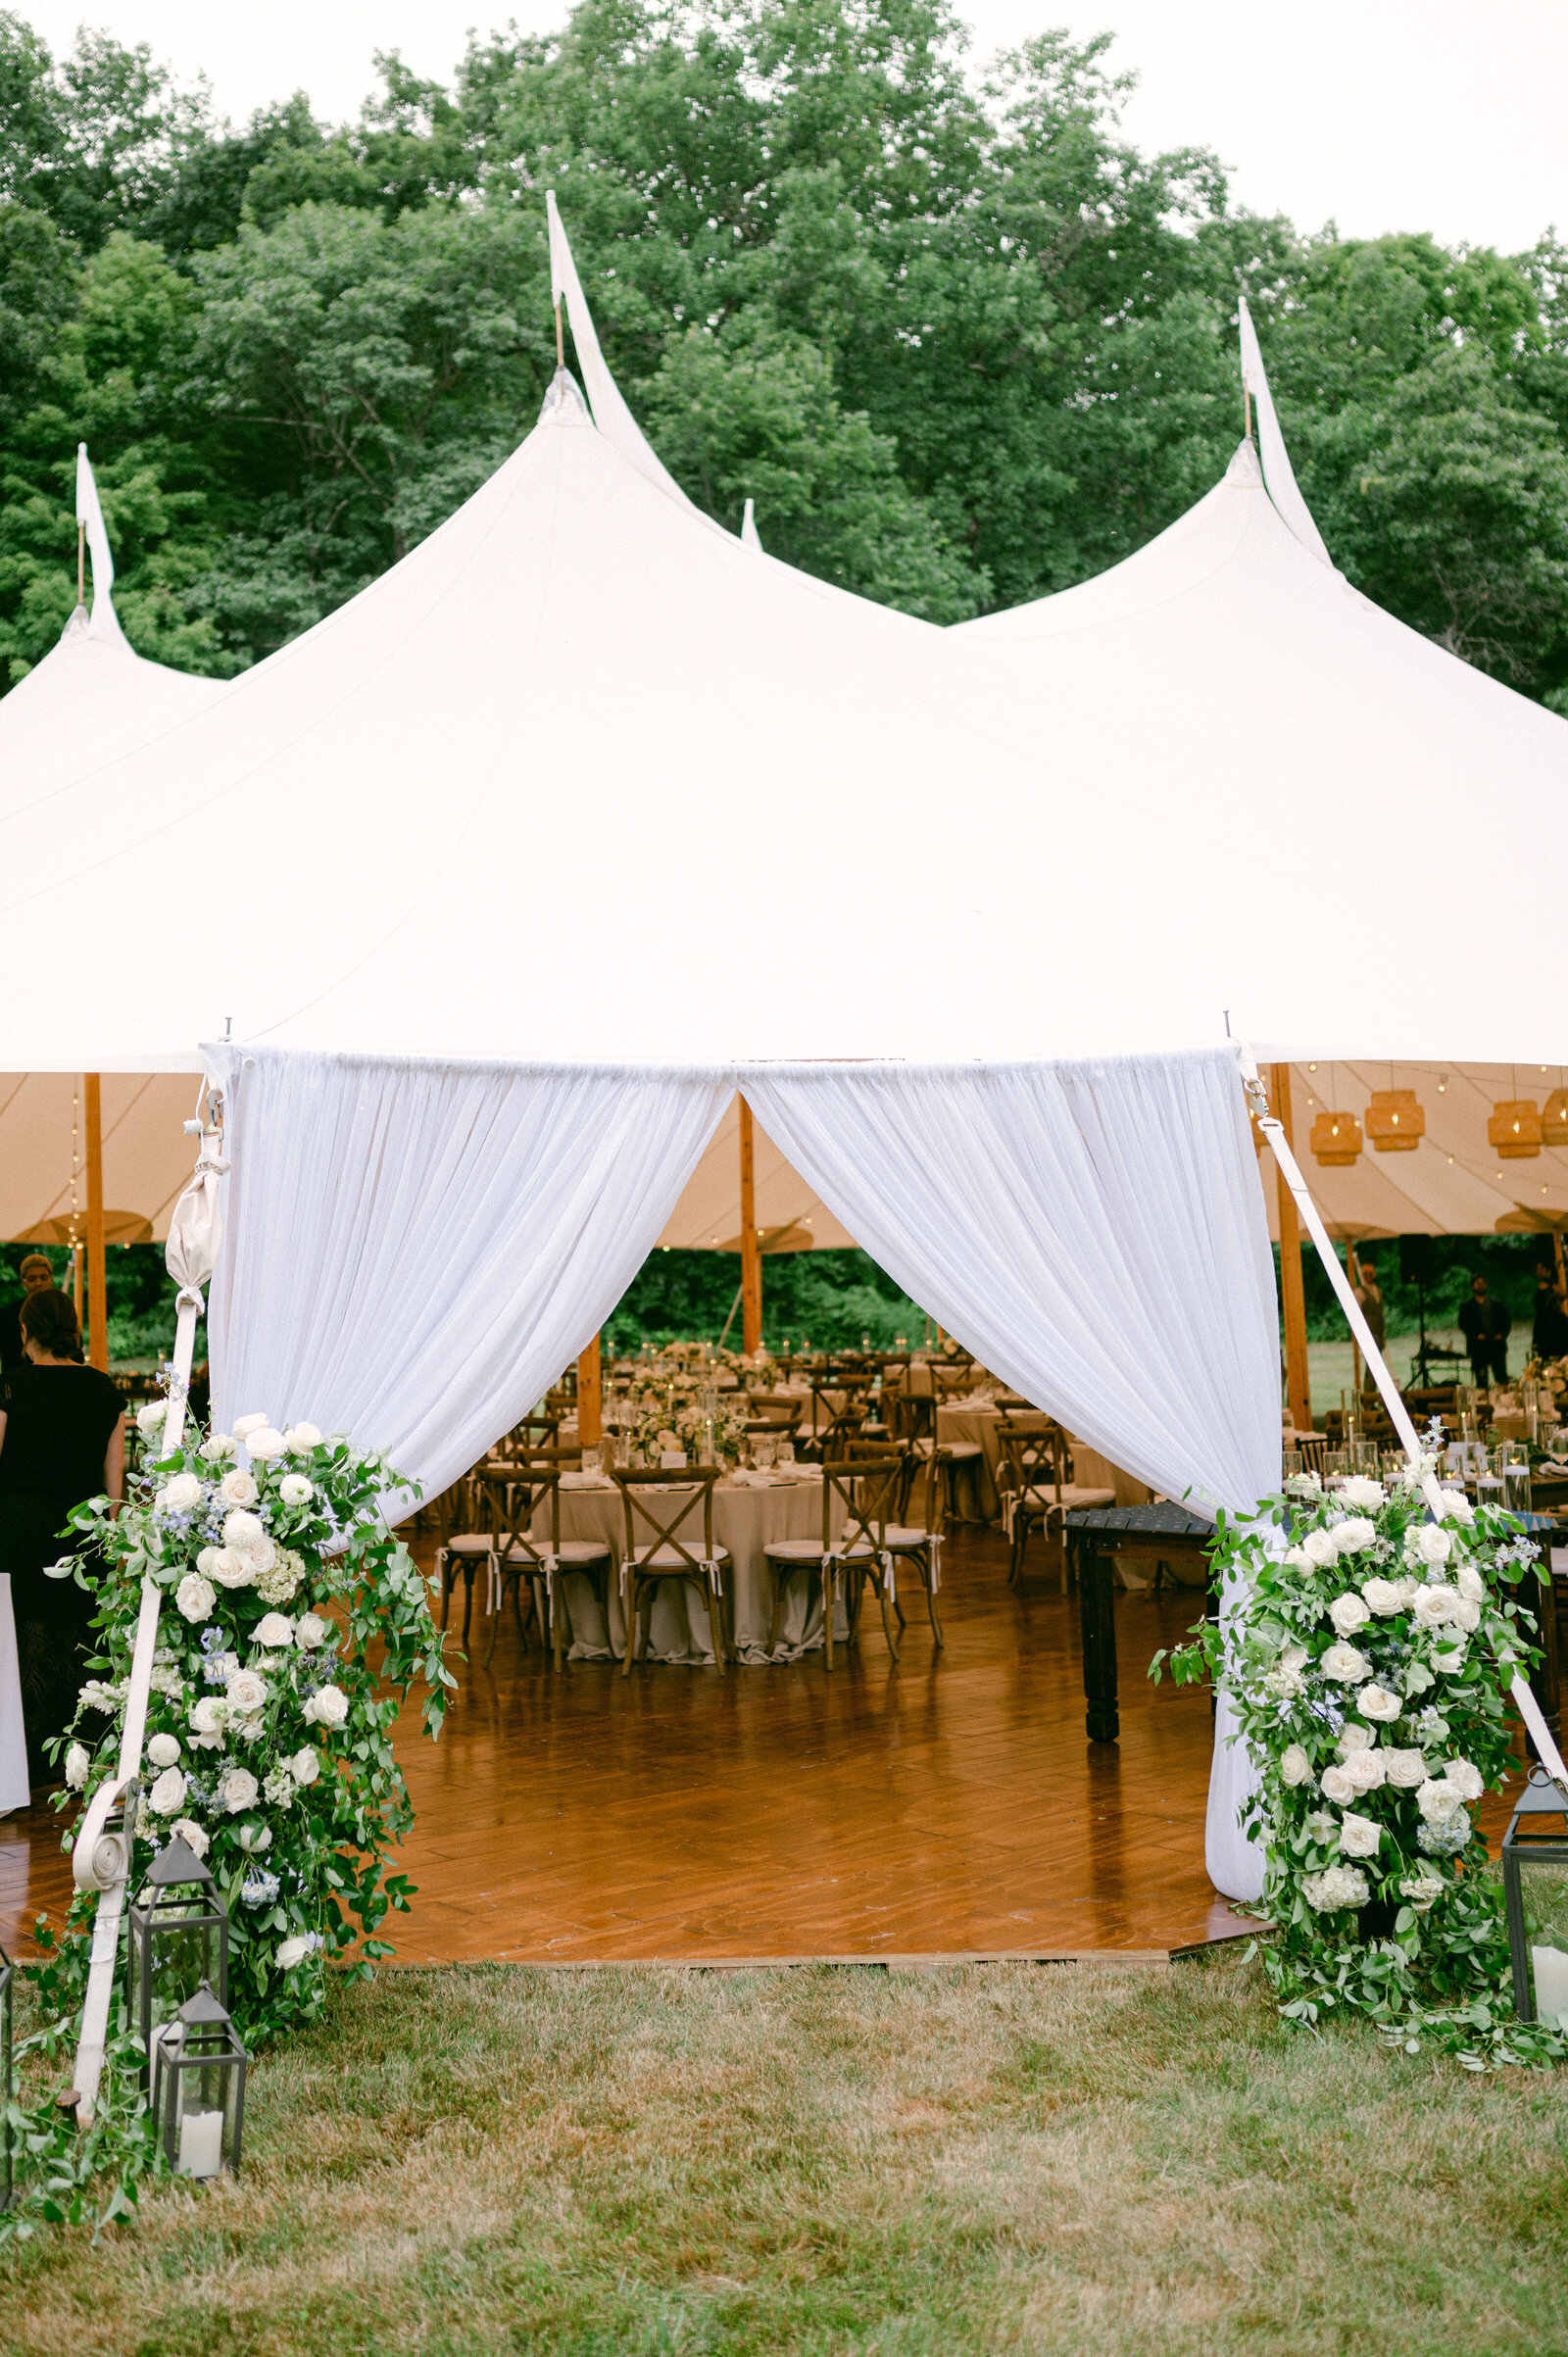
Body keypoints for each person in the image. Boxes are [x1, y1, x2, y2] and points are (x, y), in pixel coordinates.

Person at [0, 1288, 123, 1789]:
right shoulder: (104, 1391)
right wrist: (112, 1552)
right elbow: (115, 1490)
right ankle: (85, 1760)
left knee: (26, 1647)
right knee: (81, 1646)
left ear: (25, 1333)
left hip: (21, 1537)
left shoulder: (11, 1386)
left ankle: (24, 1767)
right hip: (85, 1537)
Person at [0, 1252, 60, 1377]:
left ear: (51, 1279)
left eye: (43, 1277)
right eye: (32, 1279)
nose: (38, 1283)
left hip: (54, 1377)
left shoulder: (61, 1310)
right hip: (17, 1378)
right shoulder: (8, 1313)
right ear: (23, 1282)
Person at [1458, 1273, 1510, 1389]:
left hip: (1496, 1346)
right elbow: (1463, 1324)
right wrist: (1476, 1335)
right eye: (1478, 1284)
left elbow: (1506, 1322)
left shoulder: (1497, 1304)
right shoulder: (1466, 1306)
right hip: (1478, 1348)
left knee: (1502, 1379)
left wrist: (1501, 1334)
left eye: (1483, 1283)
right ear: (1472, 1287)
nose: (1481, 1286)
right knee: (1481, 1381)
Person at [1352, 1257, 1386, 1382]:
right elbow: (1355, 1314)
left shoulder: (1378, 1291)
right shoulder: (1359, 1293)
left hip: (1378, 1333)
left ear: (1374, 1275)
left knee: (1377, 1367)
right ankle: (1369, 1395)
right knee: (1373, 1367)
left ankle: (1372, 1394)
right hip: (1368, 1333)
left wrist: (1383, 1335)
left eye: (1370, 1274)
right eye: (1365, 1274)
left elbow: (1380, 1313)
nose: (1368, 1276)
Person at [1532, 1264, 1568, 1361]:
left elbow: (1564, 1294)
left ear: (1548, 1271)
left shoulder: (1553, 1286)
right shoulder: (1540, 1285)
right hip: (1541, 1323)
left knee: (1558, 1352)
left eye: (1541, 1269)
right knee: (1543, 1354)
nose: (1538, 1272)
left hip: (1554, 1323)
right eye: (1537, 1269)